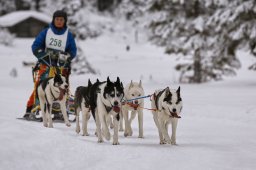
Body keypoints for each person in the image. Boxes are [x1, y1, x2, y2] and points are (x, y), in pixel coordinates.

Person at [23, 10, 77, 120]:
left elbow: (73, 51)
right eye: (57, 19)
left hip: (61, 67)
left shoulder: (68, 35)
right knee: (40, 87)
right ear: (53, 20)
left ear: (64, 21)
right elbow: (36, 46)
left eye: (61, 19)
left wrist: (67, 56)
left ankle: (59, 111)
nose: (59, 21)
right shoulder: (46, 32)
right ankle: (30, 109)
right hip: (45, 65)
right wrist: (43, 54)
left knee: (61, 88)